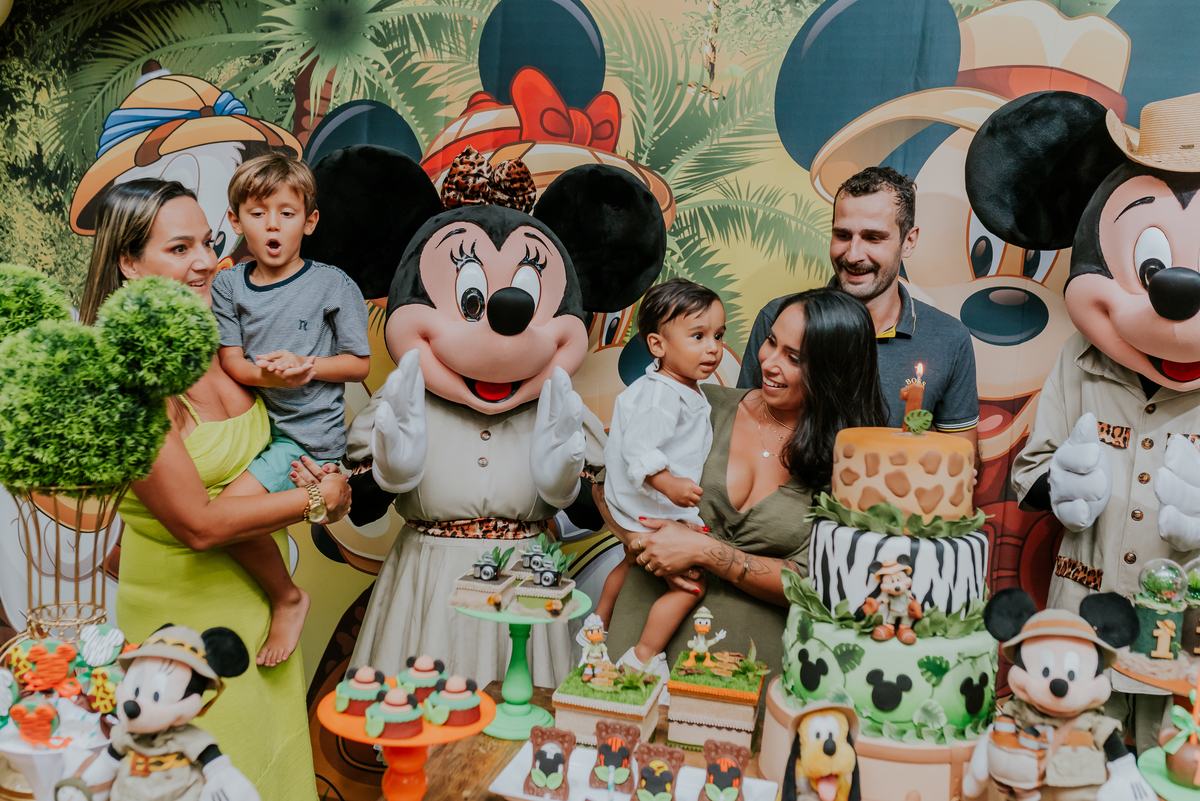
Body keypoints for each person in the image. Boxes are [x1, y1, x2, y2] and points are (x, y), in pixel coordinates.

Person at [77, 178, 352, 801]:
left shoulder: (218, 337)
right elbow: (199, 524)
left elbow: (270, 452)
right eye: (179, 249)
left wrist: (312, 472)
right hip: (183, 635)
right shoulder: (124, 374)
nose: (206, 260)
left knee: (272, 768)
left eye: (208, 241)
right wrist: (321, 499)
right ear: (127, 261)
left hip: (258, 617)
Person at [604, 288, 889, 678]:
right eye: (771, 341)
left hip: (747, 670)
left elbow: (818, 585)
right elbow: (609, 479)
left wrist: (705, 552)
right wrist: (641, 542)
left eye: (794, 358)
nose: (769, 362)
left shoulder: (849, 465)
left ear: (832, 372)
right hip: (636, 647)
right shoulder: (702, 405)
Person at [209, 152, 371, 666]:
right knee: (219, 515)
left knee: (223, 518)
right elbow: (233, 362)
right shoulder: (228, 285)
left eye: (287, 212)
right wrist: (268, 375)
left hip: (304, 443)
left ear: (310, 220)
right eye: (258, 214)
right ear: (235, 220)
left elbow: (358, 365)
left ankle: (288, 596)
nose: (273, 224)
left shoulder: (332, 284)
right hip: (252, 432)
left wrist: (308, 366)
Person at [737, 166, 979, 449]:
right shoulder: (778, 320)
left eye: (873, 238)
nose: (852, 255)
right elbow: (743, 434)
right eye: (842, 235)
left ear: (908, 241)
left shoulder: (949, 339)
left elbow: (963, 459)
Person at [593, 278, 724, 684]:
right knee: (690, 586)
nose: (713, 348)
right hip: (649, 507)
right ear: (657, 345)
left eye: (719, 335)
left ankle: (596, 627)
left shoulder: (674, 388)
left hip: (635, 507)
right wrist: (667, 483)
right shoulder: (662, 395)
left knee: (629, 564)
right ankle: (644, 655)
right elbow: (637, 447)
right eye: (698, 336)